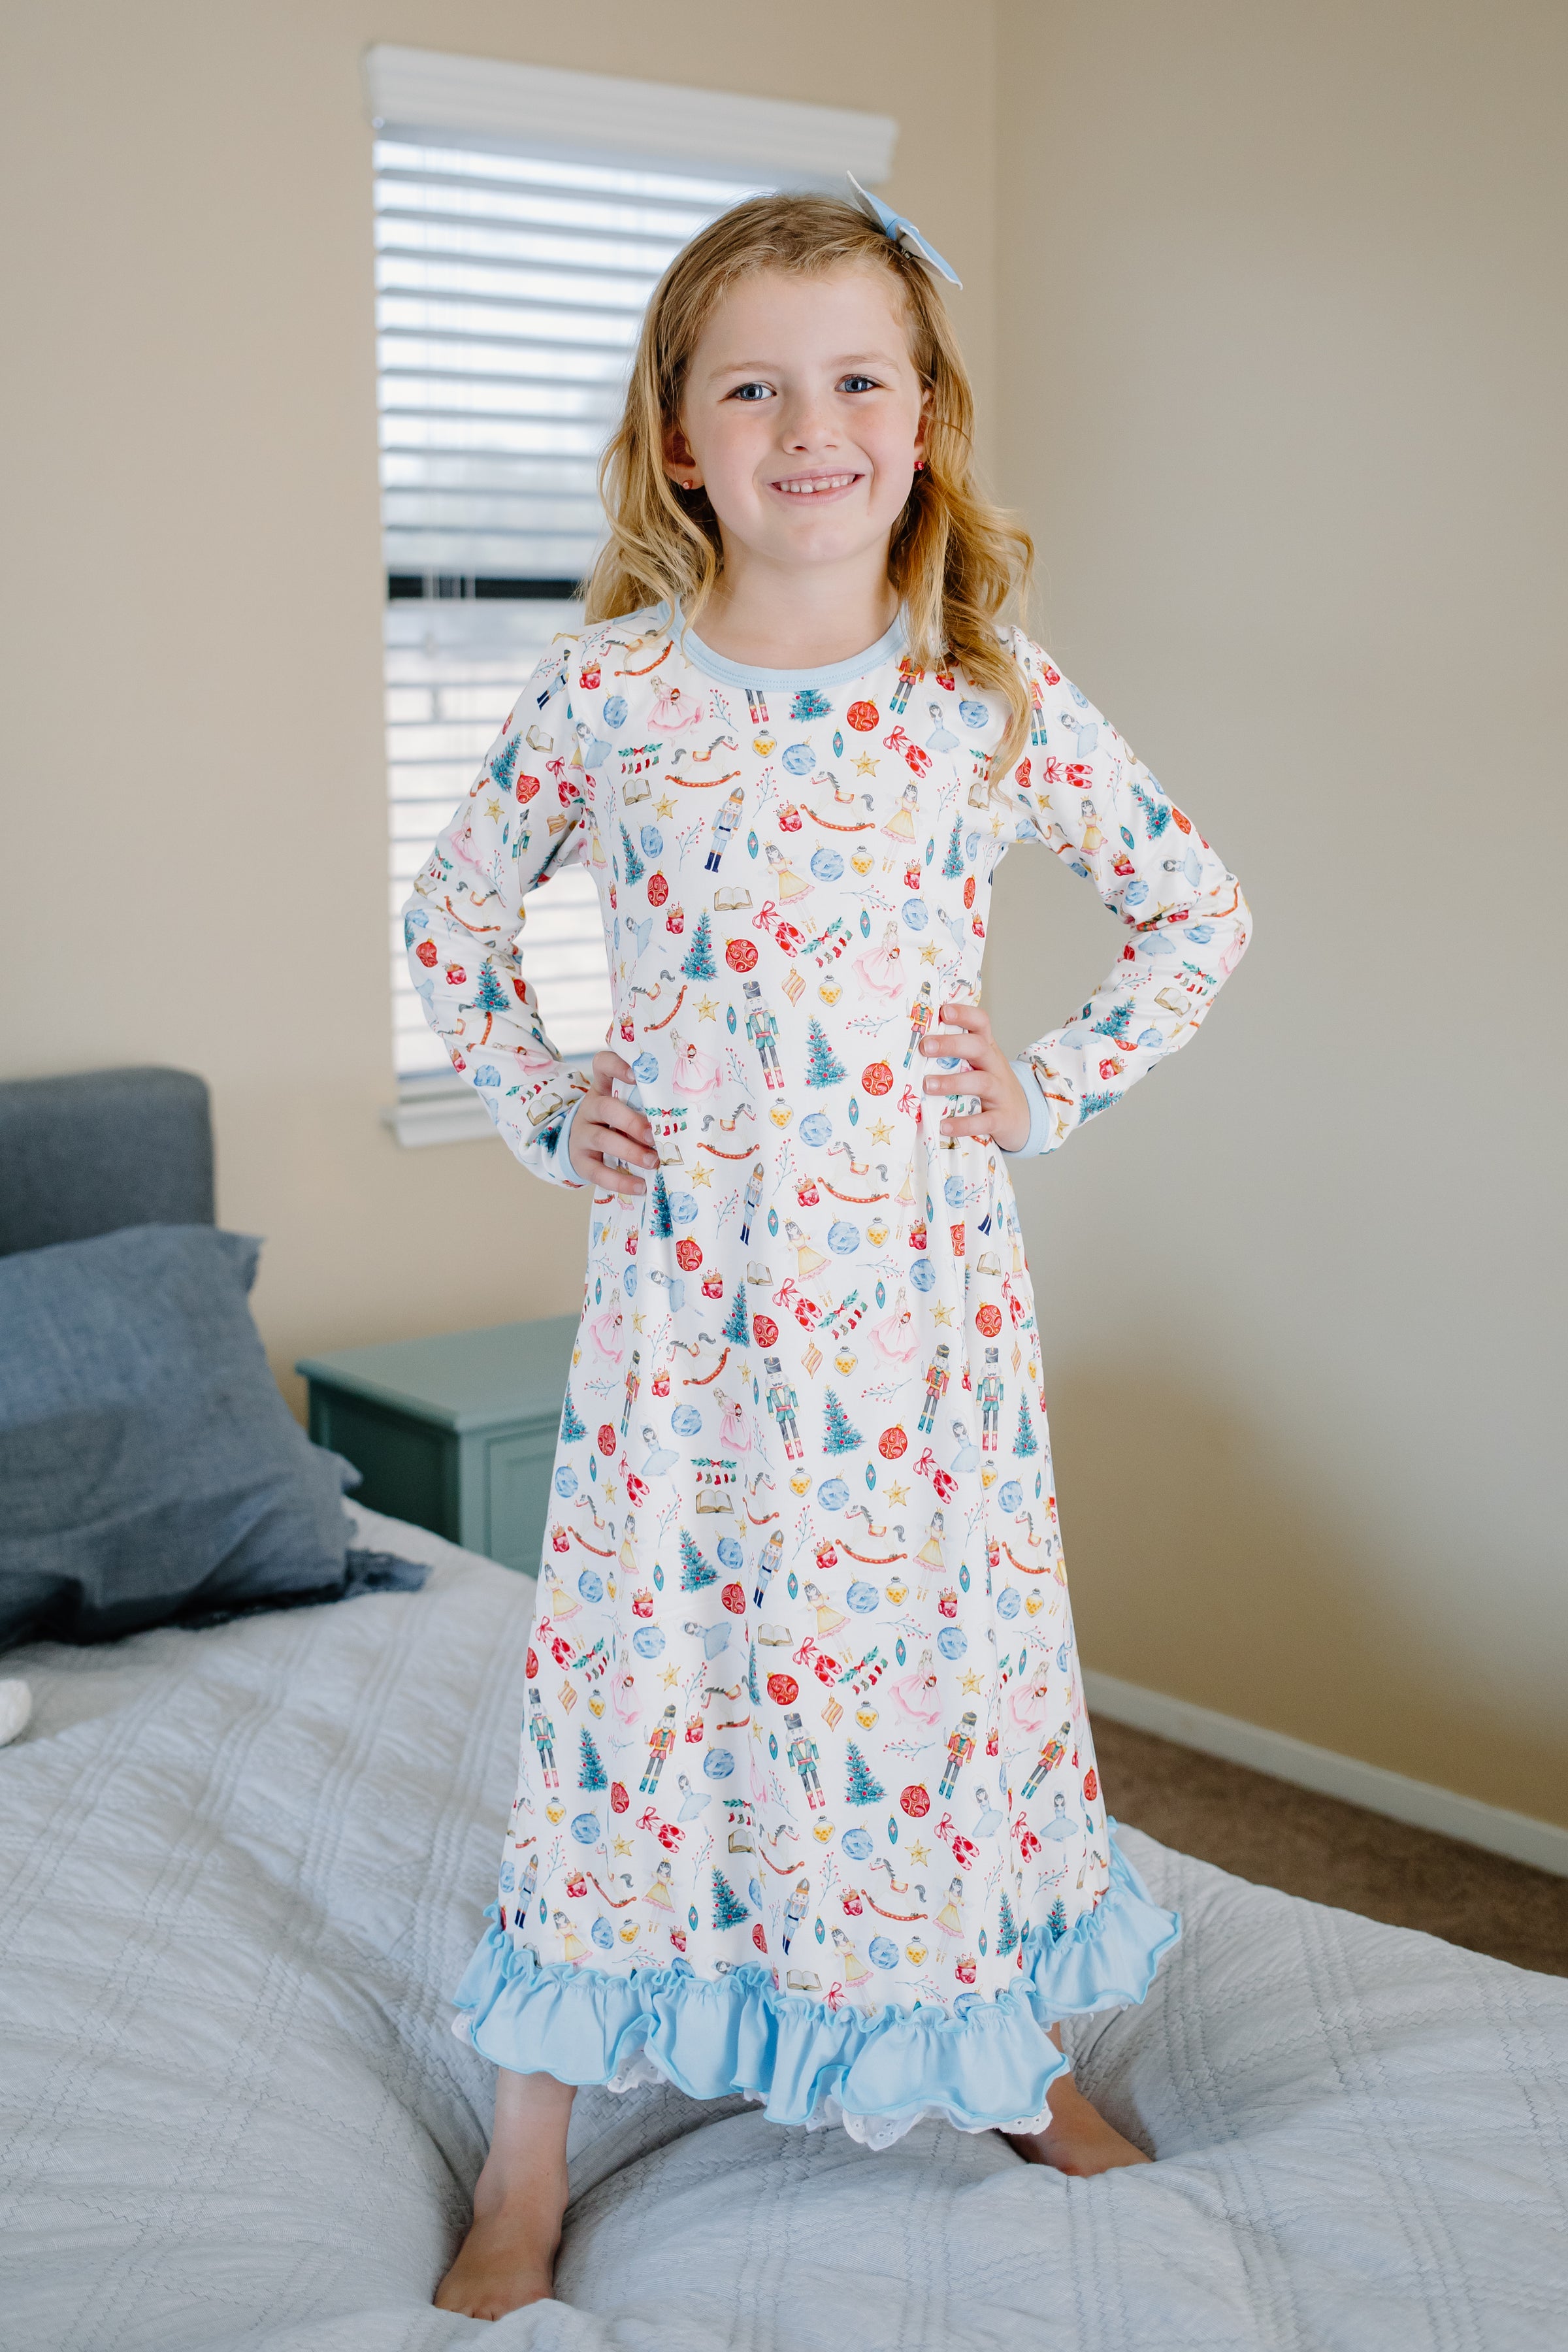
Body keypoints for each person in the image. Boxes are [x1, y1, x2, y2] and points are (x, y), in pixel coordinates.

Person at [404, 181, 1251, 2320]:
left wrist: (1042, 1088)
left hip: (919, 1325)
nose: (813, 428)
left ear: (925, 419)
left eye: (860, 379)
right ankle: (527, 2153)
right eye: (755, 390)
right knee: (633, 1695)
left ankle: (997, 2052)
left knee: (938, 1682)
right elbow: (453, 919)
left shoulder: (984, 694)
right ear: (679, 440)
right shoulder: (611, 694)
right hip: (683, 1319)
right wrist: (546, 1101)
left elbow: (1196, 913)